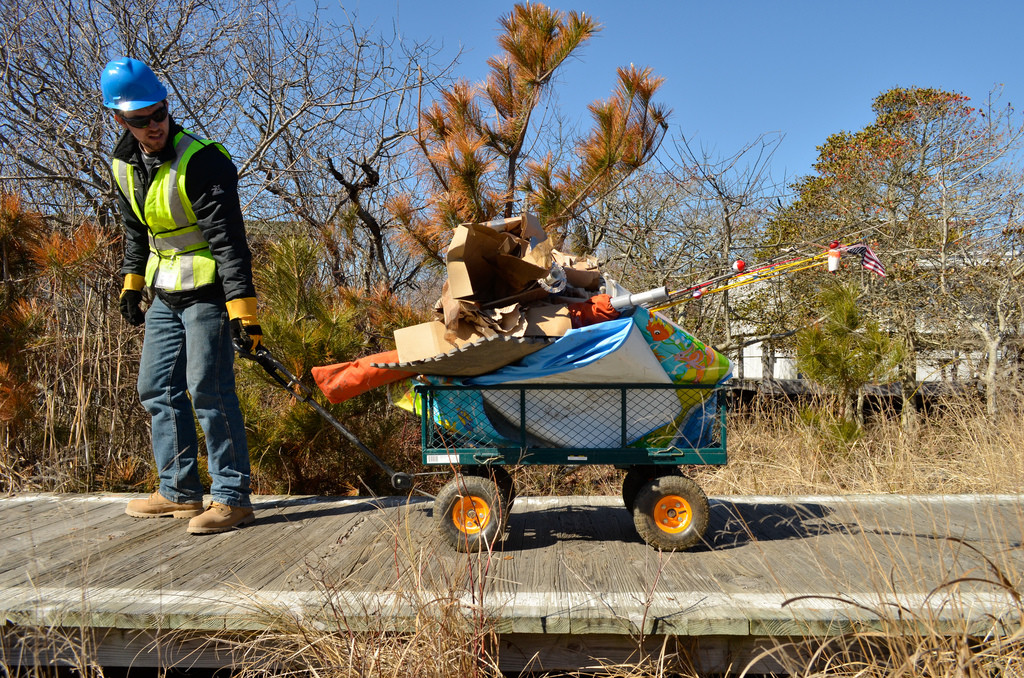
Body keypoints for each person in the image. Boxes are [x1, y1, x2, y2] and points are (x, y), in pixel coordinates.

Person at [101, 56, 262, 534]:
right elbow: (135, 227)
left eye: (159, 113)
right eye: (140, 119)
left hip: (209, 292)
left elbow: (231, 243)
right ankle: (179, 491)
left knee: (208, 389)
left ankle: (233, 497)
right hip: (165, 292)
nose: (153, 125)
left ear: (166, 106)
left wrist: (244, 312)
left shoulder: (202, 160)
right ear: (119, 119)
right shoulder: (125, 162)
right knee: (156, 388)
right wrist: (132, 280)